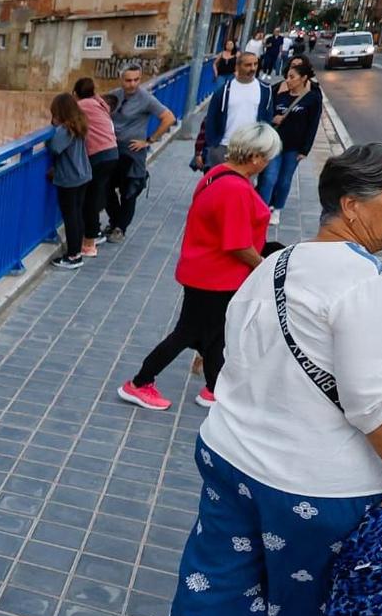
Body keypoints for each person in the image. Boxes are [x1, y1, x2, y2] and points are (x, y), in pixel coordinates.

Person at [134, 143, 382, 616]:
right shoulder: (364, 286)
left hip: (230, 456)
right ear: (352, 205)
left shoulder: (278, 263)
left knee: (216, 575)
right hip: (315, 485)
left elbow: (237, 352)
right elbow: (377, 402)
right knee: (314, 597)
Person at [118, 123, 280, 412]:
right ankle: (140, 383)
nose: (268, 163)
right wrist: (264, 266)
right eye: (268, 158)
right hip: (217, 275)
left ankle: (212, 389)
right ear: (255, 158)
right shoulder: (236, 190)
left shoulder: (217, 173)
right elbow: (237, 244)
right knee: (189, 333)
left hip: (204, 269)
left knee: (214, 334)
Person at [101, 66, 177, 244]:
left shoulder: (146, 99)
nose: (132, 84)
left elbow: (169, 118)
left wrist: (149, 140)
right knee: (105, 187)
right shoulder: (114, 96)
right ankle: (114, 221)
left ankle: (120, 227)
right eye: (128, 80)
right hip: (112, 149)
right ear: (121, 80)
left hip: (133, 152)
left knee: (129, 191)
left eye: (136, 80)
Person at [262, 58, 324, 225]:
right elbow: (266, 115)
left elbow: (313, 124)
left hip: (294, 147)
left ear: (303, 78)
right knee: (269, 177)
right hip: (275, 144)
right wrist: (273, 119)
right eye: (287, 77)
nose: (288, 80)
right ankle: (263, 208)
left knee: (285, 179)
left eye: (292, 77)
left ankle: (278, 208)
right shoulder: (280, 95)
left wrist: (305, 149)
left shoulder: (312, 98)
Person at [196, 51, 277, 174]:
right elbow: (211, 119)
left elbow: (267, 120)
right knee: (216, 183)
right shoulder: (223, 91)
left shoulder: (266, 90)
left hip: (251, 149)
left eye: (255, 64)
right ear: (237, 67)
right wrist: (211, 146)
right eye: (248, 65)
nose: (253, 68)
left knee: (241, 188)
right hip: (224, 146)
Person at [45, 92, 93, 268]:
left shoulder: (65, 129)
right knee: (77, 214)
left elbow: (55, 147)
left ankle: (73, 256)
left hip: (70, 179)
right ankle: (76, 250)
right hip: (83, 175)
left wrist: (50, 138)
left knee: (70, 216)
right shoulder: (79, 125)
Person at [73, 77, 120, 258]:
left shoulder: (82, 105)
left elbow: (64, 120)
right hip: (112, 152)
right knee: (97, 192)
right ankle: (95, 233)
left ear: (76, 93)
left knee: (90, 198)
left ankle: (90, 242)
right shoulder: (98, 103)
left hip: (98, 155)